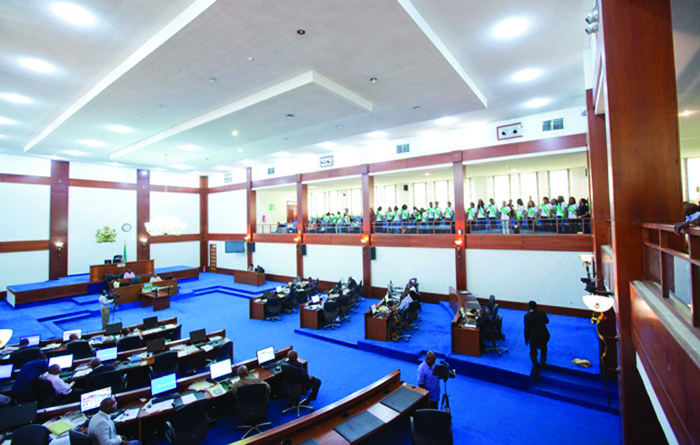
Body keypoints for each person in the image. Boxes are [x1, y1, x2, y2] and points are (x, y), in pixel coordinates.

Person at [524, 300, 550, 378]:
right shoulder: (542, 313)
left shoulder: (527, 316)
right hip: (543, 335)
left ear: (529, 307)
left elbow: (526, 329)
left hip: (533, 337)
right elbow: (547, 321)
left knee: (533, 352)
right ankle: (543, 362)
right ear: (536, 306)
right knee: (544, 349)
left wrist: (526, 339)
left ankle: (535, 366)